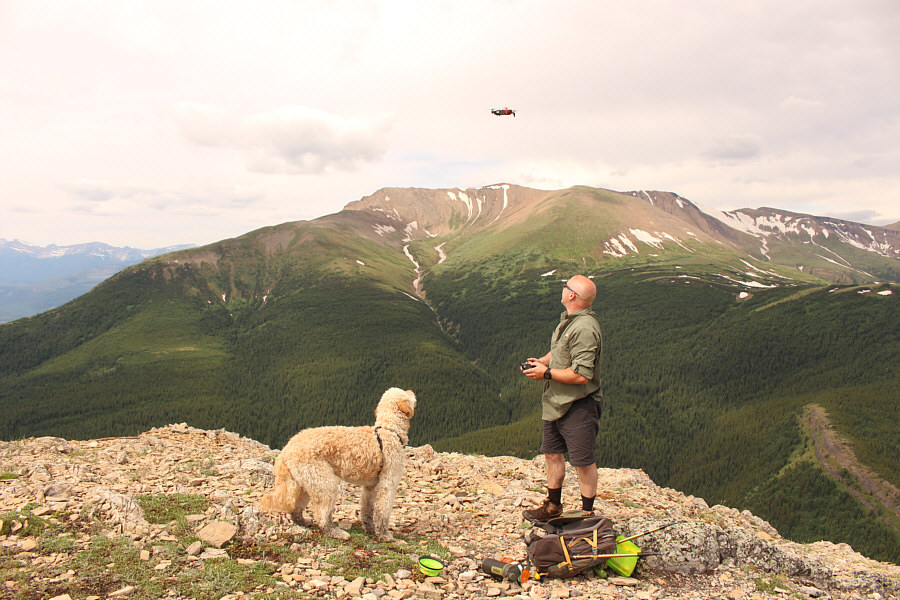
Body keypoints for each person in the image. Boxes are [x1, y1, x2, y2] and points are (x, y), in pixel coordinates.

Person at [521, 274, 603, 522]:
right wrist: (543, 361)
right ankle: (553, 506)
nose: (562, 287)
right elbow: (560, 351)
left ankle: (587, 514)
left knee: (582, 461)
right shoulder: (569, 320)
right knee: (553, 453)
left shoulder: (585, 328)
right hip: (556, 401)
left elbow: (581, 375)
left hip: (579, 405)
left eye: (565, 285)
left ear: (572, 295)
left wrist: (545, 373)